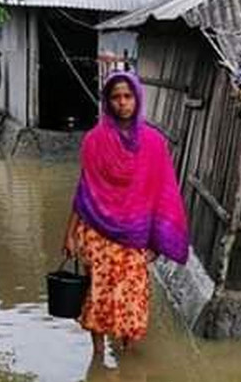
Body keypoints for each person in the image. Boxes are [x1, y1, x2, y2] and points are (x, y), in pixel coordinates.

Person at [64, 72, 189, 355]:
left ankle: (127, 353)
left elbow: (162, 193)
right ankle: (97, 353)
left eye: (127, 96)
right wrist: (69, 235)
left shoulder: (154, 144)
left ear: (137, 99)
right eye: (116, 97)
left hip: (135, 236)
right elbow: (85, 191)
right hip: (96, 233)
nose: (122, 103)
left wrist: (157, 244)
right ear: (107, 102)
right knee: (98, 293)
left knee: (132, 298)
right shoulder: (94, 141)